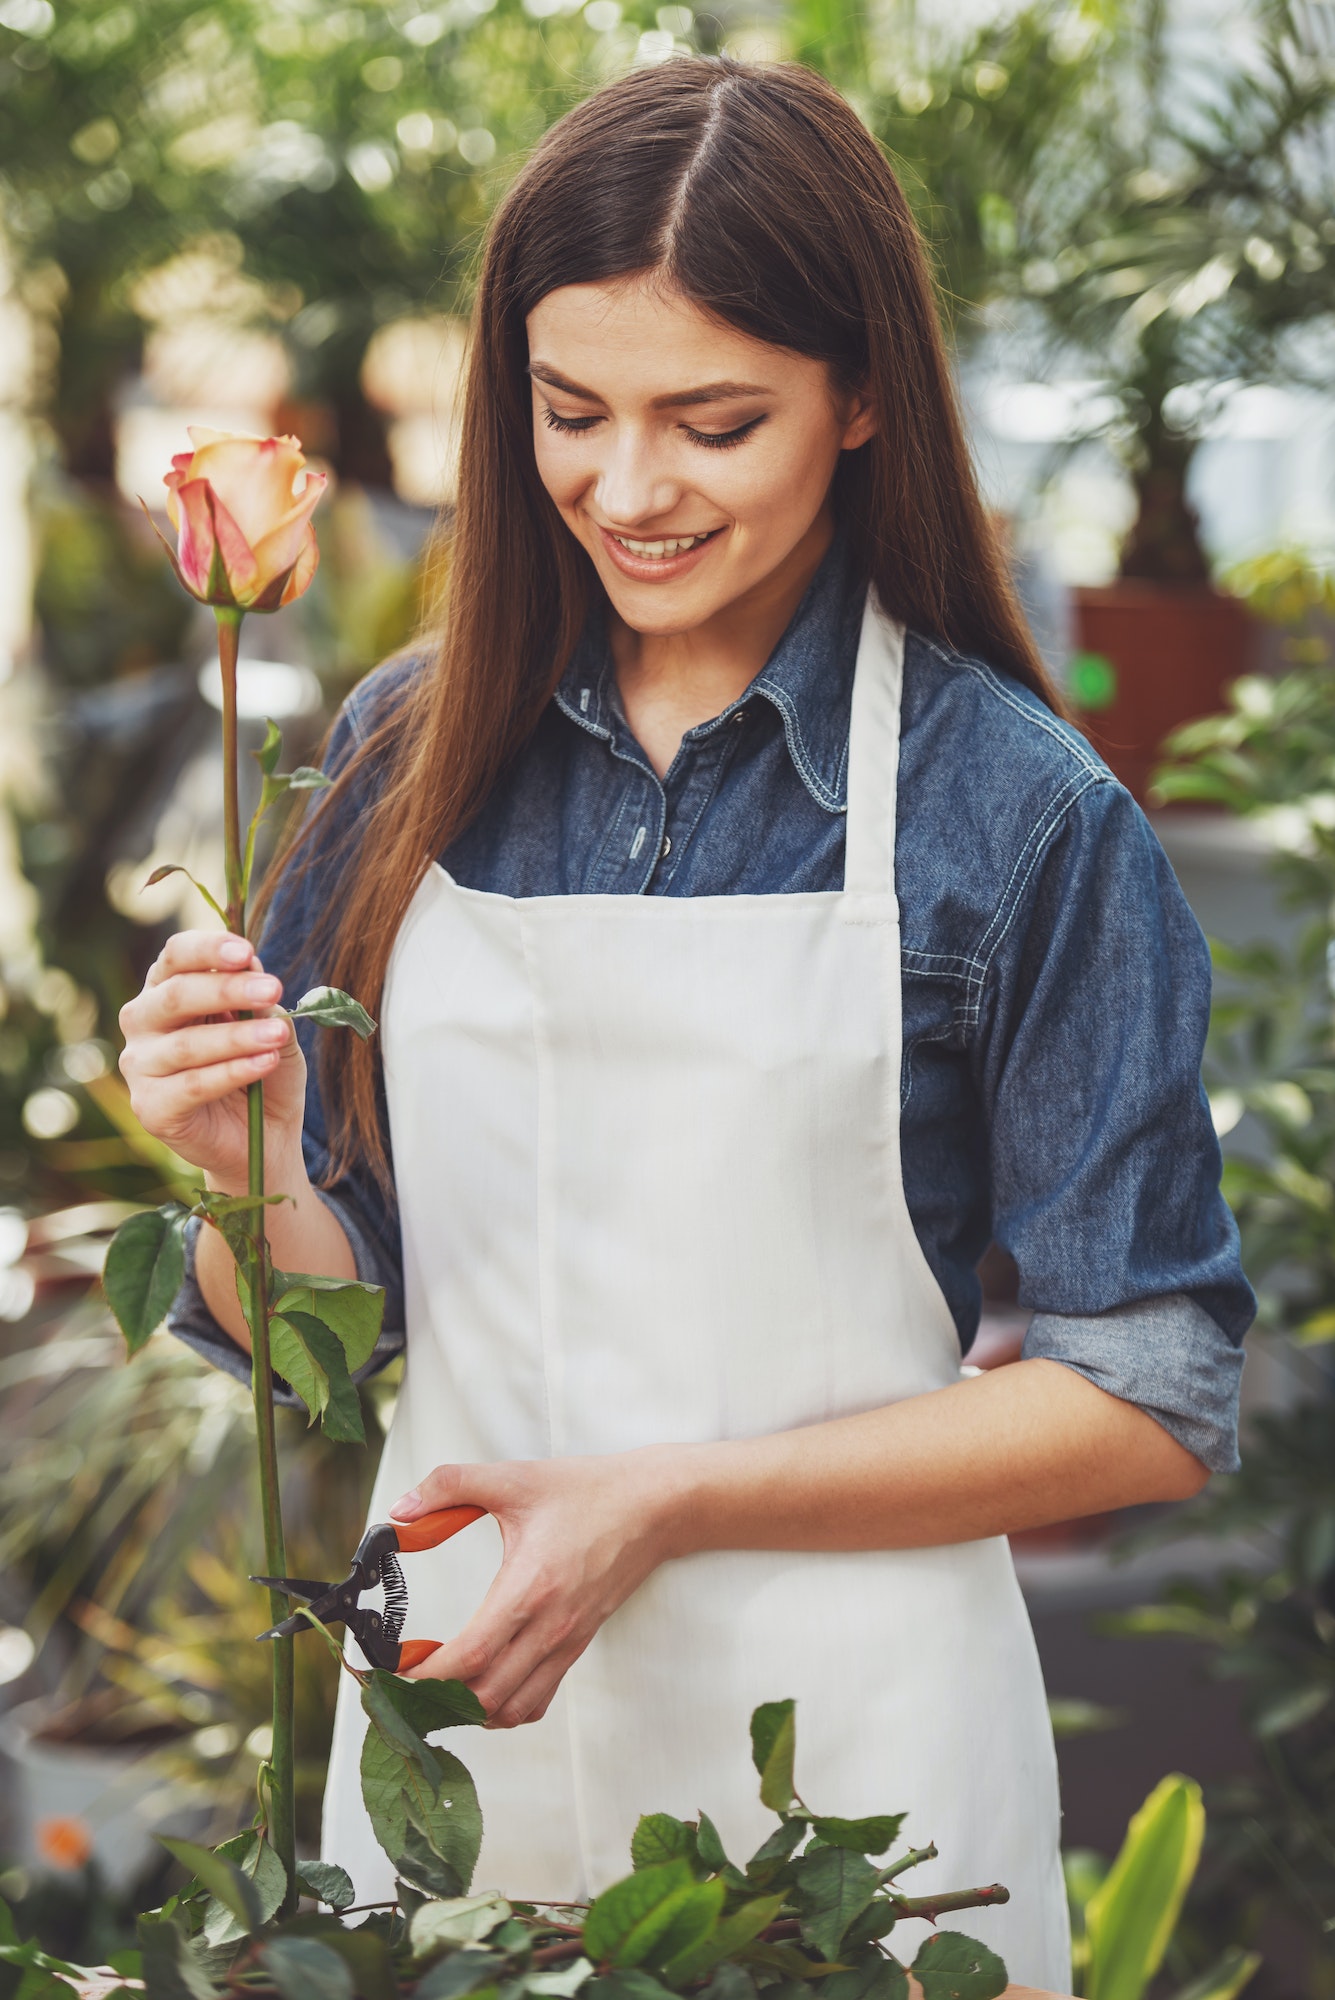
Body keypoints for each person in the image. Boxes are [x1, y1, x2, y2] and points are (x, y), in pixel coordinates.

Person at [119, 58, 1253, 1989]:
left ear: (862, 396)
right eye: (573, 413)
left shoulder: (1016, 813)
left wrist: (657, 1505)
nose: (629, 491)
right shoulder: (410, 749)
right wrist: (241, 1169)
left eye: (712, 422)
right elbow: (332, 1332)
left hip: (860, 1779)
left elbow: (1150, 1399)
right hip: (458, 1742)